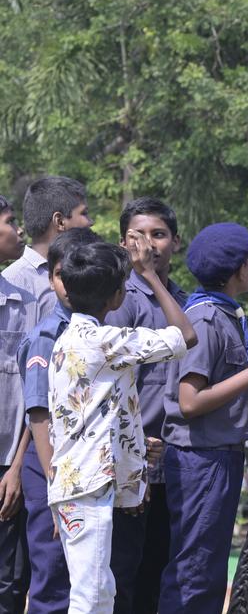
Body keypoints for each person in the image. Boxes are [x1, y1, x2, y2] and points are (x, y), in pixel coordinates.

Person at [48, 236, 198, 614]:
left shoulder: (68, 339)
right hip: (90, 484)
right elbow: (186, 335)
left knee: (99, 592)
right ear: (117, 296)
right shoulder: (104, 342)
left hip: (80, 481)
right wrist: (149, 275)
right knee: (92, 596)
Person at [159, 223, 248, 614]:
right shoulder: (206, 319)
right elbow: (190, 401)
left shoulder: (225, 314)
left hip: (218, 456)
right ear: (239, 270)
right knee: (195, 568)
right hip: (201, 458)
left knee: (210, 567)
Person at [103, 198, 188, 613]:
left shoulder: (186, 301)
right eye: (140, 236)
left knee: (164, 566)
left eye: (160, 234)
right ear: (123, 243)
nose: (151, 245)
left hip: (178, 458)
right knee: (126, 573)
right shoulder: (121, 303)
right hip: (136, 457)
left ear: (176, 242)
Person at [20, 228, 101, 614]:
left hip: (89, 470)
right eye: (60, 273)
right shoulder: (47, 337)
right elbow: (39, 415)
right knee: (53, 578)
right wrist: (57, 490)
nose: (70, 282)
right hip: (53, 470)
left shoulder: (105, 334)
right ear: (51, 278)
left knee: (90, 580)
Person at [0, 194, 34, 612]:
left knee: (8, 584)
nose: (18, 230)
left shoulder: (23, 306)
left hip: (6, 469)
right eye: (10, 222)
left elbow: (35, 396)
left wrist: (18, 466)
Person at [2, 176, 92, 323]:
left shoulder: (87, 271)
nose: (90, 222)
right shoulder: (12, 284)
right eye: (84, 213)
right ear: (60, 221)